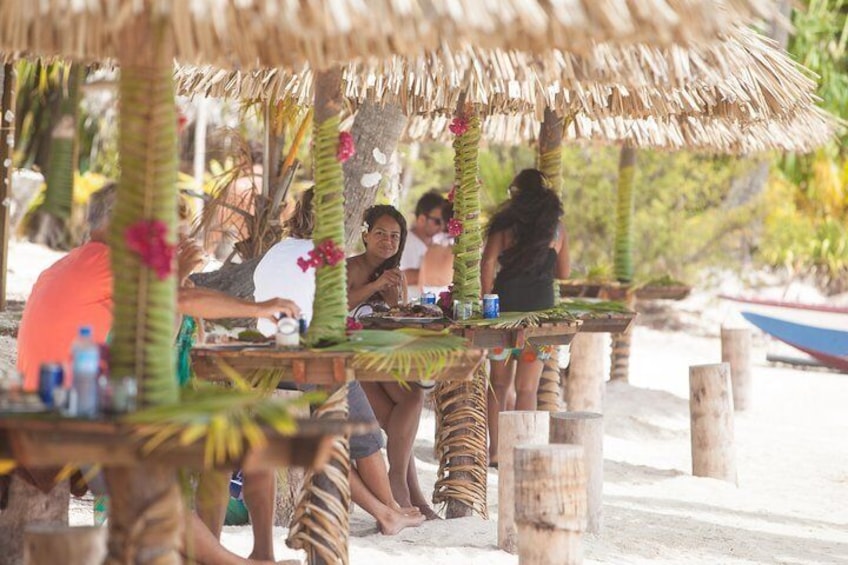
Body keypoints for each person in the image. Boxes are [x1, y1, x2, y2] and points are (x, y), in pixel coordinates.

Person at [16, 183, 298, 565]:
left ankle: (231, 555)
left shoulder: (71, 265)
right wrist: (263, 307)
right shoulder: (114, 264)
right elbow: (176, 307)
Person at [254, 190, 425, 534]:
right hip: (314, 362)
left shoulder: (276, 250)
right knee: (364, 435)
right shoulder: (326, 258)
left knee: (338, 437)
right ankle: (388, 510)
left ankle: (390, 507)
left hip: (270, 362)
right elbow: (330, 317)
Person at [347, 206, 437, 519]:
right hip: (351, 357)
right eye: (380, 234)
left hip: (384, 354)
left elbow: (399, 316)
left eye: (395, 236)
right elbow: (339, 305)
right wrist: (374, 285)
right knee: (408, 408)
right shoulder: (349, 268)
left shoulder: (394, 273)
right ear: (366, 235)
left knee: (412, 404)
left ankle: (407, 490)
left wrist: (395, 299)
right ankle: (401, 485)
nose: (387, 241)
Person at [481, 169, 570, 467]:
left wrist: (487, 299)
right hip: (539, 319)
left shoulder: (505, 226)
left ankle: (495, 452)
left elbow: (488, 261)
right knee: (528, 387)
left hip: (503, 314)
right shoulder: (556, 230)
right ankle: (522, 450)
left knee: (499, 384)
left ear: (515, 193)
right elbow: (564, 273)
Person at [399, 191, 447, 302]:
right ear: (421, 219)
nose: (442, 226)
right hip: (412, 307)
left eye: (444, 221)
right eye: (437, 221)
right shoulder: (404, 242)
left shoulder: (439, 242)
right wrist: (440, 273)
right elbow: (400, 278)